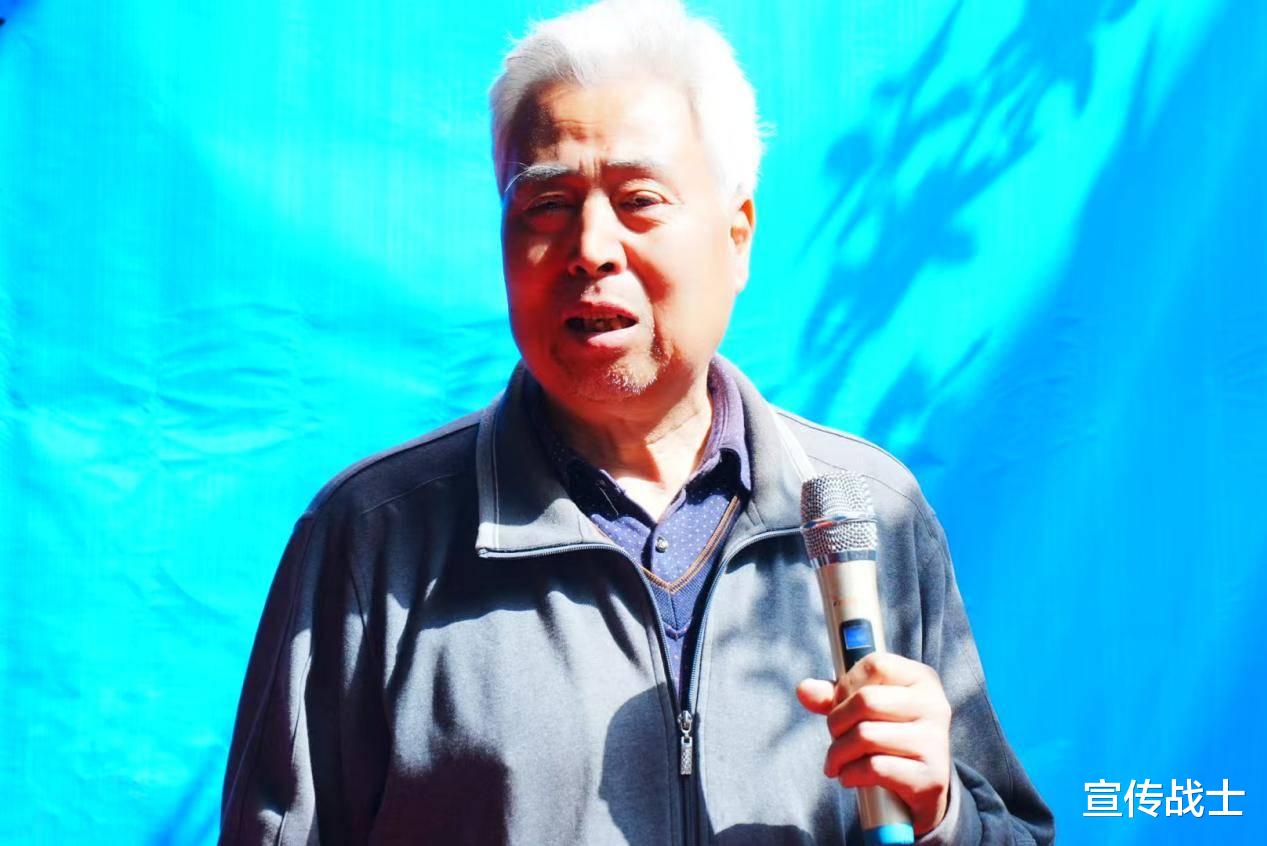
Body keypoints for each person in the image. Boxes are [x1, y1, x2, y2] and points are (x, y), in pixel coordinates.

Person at [220, 1, 1054, 843]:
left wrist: (940, 813)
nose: (591, 247)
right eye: (548, 204)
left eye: (639, 199)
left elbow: (1012, 832)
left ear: (736, 236)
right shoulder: (376, 536)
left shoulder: (867, 512)